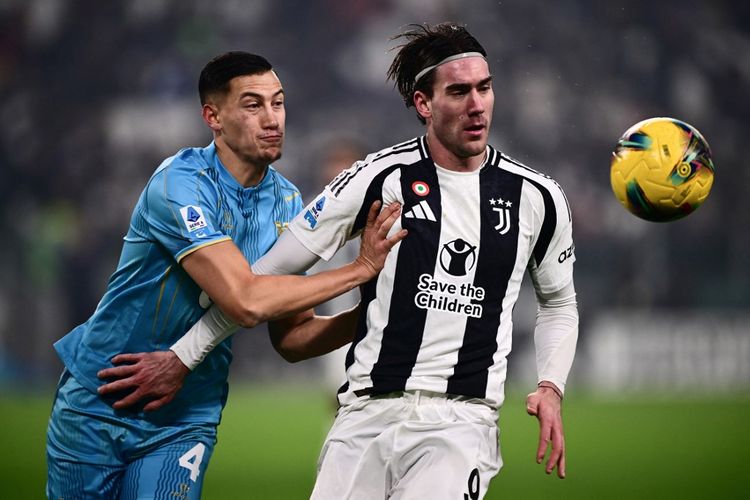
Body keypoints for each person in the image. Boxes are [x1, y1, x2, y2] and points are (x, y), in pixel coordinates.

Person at [109, 23, 579, 499]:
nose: (477, 104)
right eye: (459, 92)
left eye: (484, 88)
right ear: (423, 103)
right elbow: (261, 280)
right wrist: (184, 356)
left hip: (459, 422)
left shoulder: (538, 197)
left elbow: (559, 303)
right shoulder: (375, 179)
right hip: (363, 418)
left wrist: (551, 386)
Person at [45, 51, 406, 500]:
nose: (272, 119)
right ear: (213, 116)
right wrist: (360, 271)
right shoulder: (179, 184)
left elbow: (294, 339)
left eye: (278, 103)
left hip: (187, 413)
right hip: (104, 394)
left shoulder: (287, 204)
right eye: (253, 105)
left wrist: (377, 310)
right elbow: (245, 301)